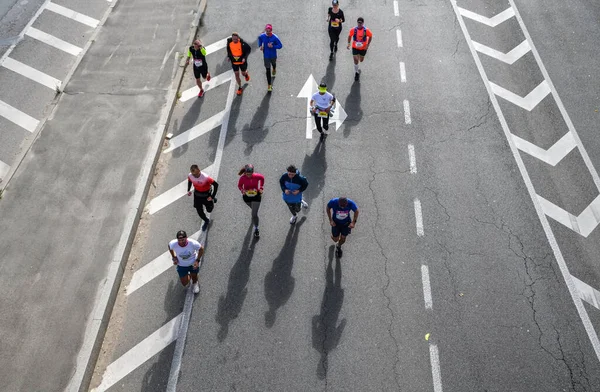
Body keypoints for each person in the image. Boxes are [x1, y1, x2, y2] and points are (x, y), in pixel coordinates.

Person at [187, 164, 219, 231]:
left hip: (206, 195)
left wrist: (212, 196)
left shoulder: (205, 177)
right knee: (199, 211)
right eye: (193, 175)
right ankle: (206, 220)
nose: (194, 176)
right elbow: (189, 181)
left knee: (209, 210)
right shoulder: (190, 175)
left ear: (199, 170)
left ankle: (213, 199)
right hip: (197, 195)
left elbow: (216, 185)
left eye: (196, 174)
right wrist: (188, 190)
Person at [237, 164, 265, 238]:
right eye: (247, 174)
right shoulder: (242, 178)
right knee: (253, 209)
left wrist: (261, 187)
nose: (248, 175)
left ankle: (256, 228)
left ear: (253, 172)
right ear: (245, 172)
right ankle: (254, 213)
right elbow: (239, 186)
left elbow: (262, 179)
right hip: (247, 197)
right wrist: (242, 190)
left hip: (256, 196)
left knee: (254, 214)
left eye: (250, 174)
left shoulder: (257, 176)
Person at [258, 24, 283, 92]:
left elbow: (280, 46)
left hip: (273, 55)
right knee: (267, 70)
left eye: (269, 31)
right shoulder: (263, 36)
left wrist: (273, 46)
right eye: (267, 31)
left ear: (271, 30)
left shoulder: (275, 37)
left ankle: (274, 68)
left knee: (273, 64)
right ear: (265, 30)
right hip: (266, 56)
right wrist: (260, 45)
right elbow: (259, 39)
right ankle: (269, 85)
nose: (268, 32)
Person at [346, 17, 373, 81]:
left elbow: (370, 36)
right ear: (357, 22)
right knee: (355, 60)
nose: (359, 24)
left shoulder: (366, 30)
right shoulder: (353, 30)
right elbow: (350, 36)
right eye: (358, 23)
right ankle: (356, 72)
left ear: (363, 23)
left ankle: (358, 62)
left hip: (363, 48)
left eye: (361, 23)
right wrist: (349, 43)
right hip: (355, 47)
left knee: (361, 60)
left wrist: (367, 45)